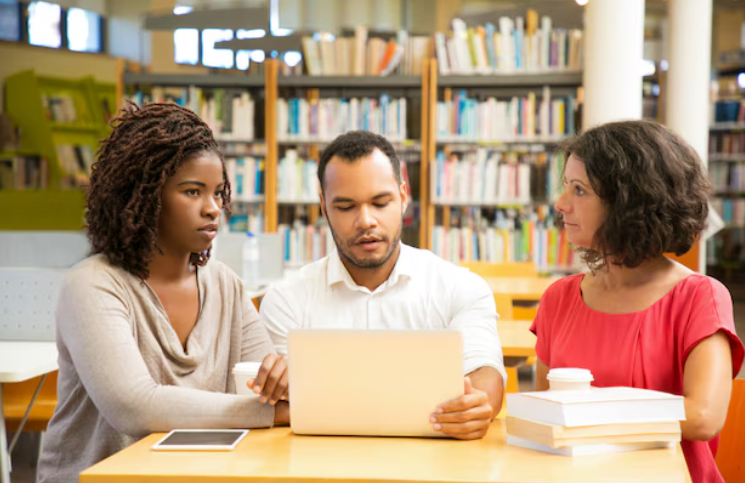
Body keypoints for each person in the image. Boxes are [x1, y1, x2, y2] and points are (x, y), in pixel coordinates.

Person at [37, 103, 288, 483]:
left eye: (218, 193)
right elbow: (135, 407)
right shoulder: (93, 286)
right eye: (192, 192)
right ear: (143, 194)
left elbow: (268, 392)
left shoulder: (226, 285)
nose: (213, 209)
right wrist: (270, 411)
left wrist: (282, 381)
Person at [531, 120, 744, 483]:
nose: (560, 203)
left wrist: (582, 409)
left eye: (579, 190)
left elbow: (703, 418)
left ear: (629, 203)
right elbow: (545, 412)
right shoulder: (558, 298)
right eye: (565, 186)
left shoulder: (700, 296)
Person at [259, 130, 506, 440]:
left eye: (380, 202)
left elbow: (486, 373)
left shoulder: (460, 287)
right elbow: (275, 404)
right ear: (323, 206)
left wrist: (477, 405)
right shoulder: (286, 300)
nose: (366, 221)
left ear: (403, 197)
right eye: (346, 207)